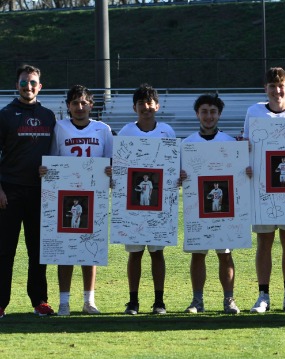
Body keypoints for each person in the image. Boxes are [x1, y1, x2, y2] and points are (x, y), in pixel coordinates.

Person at [243, 67, 285, 313]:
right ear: (265, 89)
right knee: (264, 241)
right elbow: (248, 144)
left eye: (281, 85)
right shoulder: (254, 111)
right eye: (272, 86)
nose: (277, 90)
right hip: (263, 185)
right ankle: (263, 296)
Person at [46, 85, 113, 316]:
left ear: (91, 105)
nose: (80, 107)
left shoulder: (103, 129)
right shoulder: (60, 127)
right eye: (75, 103)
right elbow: (52, 159)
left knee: (89, 248)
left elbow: (110, 162)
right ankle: (64, 301)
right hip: (66, 195)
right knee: (65, 249)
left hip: (94, 196)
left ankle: (89, 300)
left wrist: (110, 172)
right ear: (68, 106)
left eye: (84, 102)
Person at [0, 65, 56, 318]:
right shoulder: (5, 115)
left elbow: (56, 154)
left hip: (40, 194)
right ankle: (0, 303)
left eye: (33, 83)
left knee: (38, 250)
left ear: (39, 87)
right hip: (9, 192)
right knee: (4, 250)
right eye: (24, 83)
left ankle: (39, 301)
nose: (28, 87)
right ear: (17, 85)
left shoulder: (48, 116)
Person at [182, 93, 241, 315]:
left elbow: (239, 175)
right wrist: (180, 176)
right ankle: (197, 300)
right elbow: (178, 176)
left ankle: (229, 300)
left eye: (213, 112)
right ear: (197, 114)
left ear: (219, 114)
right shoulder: (187, 144)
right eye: (204, 112)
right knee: (198, 253)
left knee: (224, 253)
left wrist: (245, 170)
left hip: (224, 207)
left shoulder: (230, 143)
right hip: (197, 205)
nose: (208, 116)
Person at [119, 84, 176, 315]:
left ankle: (159, 301)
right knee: (135, 253)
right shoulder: (126, 132)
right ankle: (133, 301)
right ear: (134, 107)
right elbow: (119, 165)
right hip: (133, 201)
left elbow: (173, 165)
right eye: (141, 103)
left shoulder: (167, 131)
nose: (146, 107)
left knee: (157, 252)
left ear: (157, 106)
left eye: (150, 102)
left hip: (158, 200)